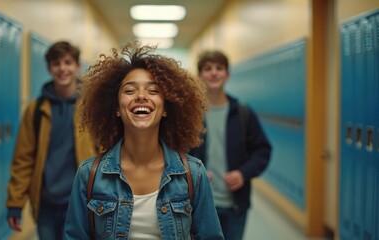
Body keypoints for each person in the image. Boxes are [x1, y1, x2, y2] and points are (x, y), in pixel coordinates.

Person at [64, 41, 224, 240]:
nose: (141, 96)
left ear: (166, 108)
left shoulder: (193, 174)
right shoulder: (89, 174)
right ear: (115, 108)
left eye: (153, 91)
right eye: (130, 90)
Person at [6, 41, 96, 239]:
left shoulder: (90, 107)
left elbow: (105, 152)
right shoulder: (36, 110)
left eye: (68, 62)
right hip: (46, 202)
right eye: (56, 63)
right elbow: (23, 159)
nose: (62, 68)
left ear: (77, 67)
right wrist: (15, 203)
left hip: (79, 200)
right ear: (49, 68)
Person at [189, 50, 272, 240]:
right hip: (199, 204)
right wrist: (194, 172)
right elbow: (176, 151)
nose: (214, 73)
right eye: (208, 68)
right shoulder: (190, 114)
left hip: (235, 205)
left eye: (219, 68)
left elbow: (262, 150)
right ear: (199, 75)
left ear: (227, 75)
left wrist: (243, 173)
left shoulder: (243, 112)